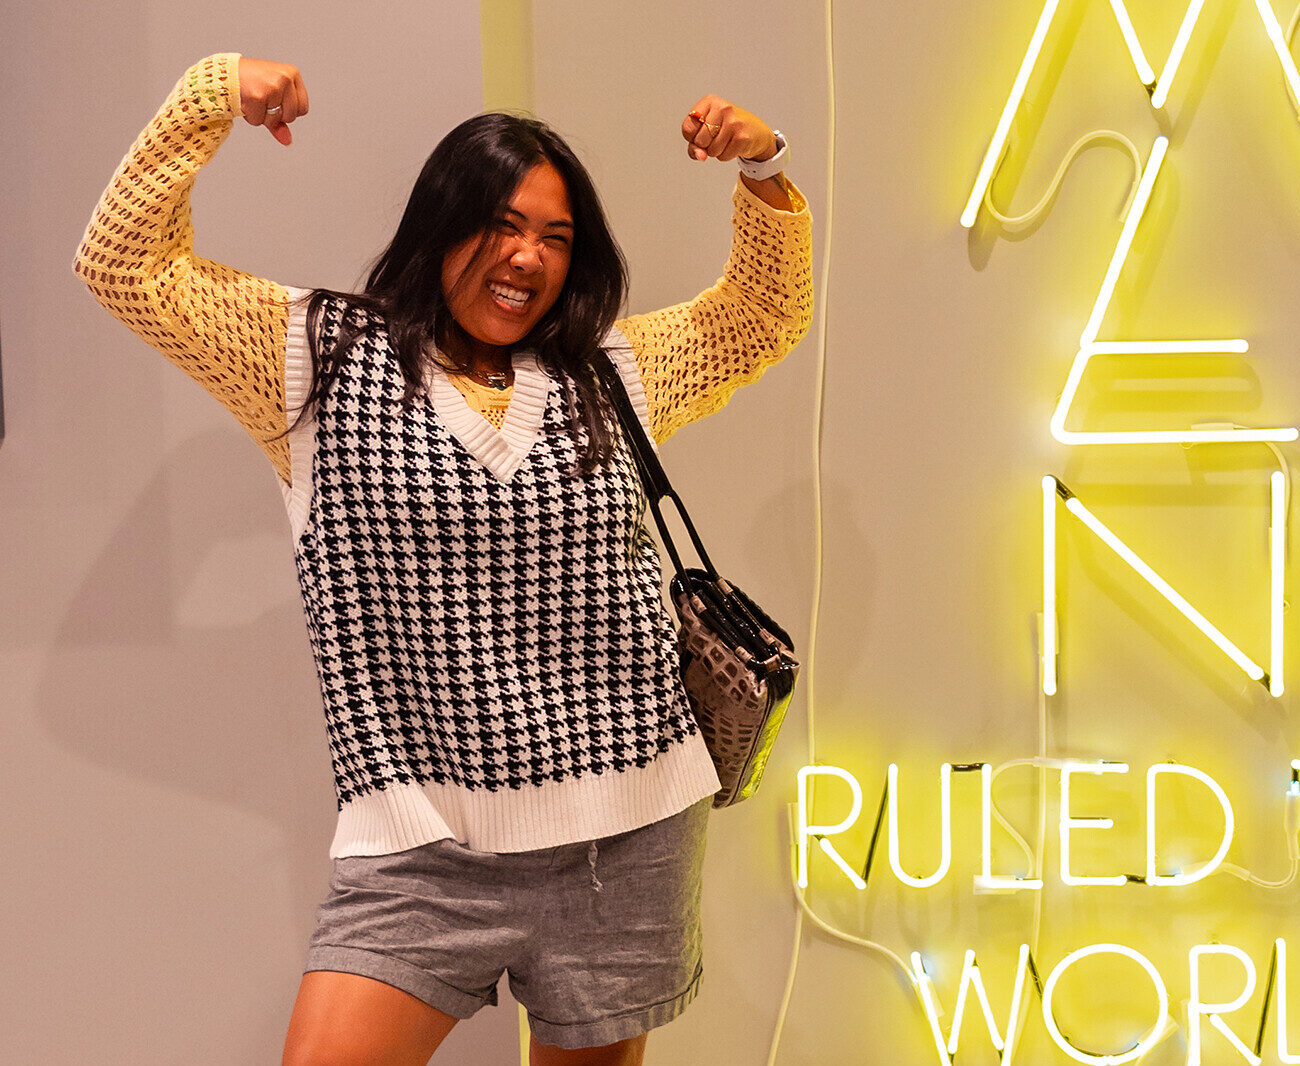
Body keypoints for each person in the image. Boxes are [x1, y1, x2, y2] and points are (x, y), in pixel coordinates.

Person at [77, 53, 812, 1065]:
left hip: (624, 831)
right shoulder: (317, 360)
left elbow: (761, 315)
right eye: (501, 224)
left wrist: (764, 166)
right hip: (419, 855)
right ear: (440, 227)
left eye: (556, 237)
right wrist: (210, 94)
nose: (527, 257)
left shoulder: (608, 377)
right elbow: (125, 264)